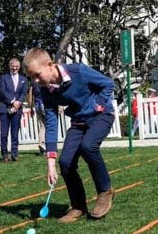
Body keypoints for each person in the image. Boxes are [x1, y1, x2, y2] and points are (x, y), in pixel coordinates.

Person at [23, 48, 116, 222]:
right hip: (79, 121)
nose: (35, 81)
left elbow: (108, 84)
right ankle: (78, 206)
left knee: (88, 146)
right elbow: (51, 123)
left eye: (37, 75)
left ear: (50, 65)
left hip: (101, 115)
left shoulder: (78, 71)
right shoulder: (46, 89)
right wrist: (51, 164)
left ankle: (105, 191)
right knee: (65, 162)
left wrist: (98, 105)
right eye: (31, 78)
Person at [0, 58, 28, 163]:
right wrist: (12, 101)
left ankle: (14, 154)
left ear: (19, 67)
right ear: (9, 66)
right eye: (13, 66)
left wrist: (18, 103)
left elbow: (24, 93)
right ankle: (5, 155)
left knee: (15, 133)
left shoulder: (24, 79)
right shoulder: (3, 78)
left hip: (17, 109)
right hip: (4, 108)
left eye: (16, 66)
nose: (14, 68)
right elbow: (2, 91)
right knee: (4, 134)